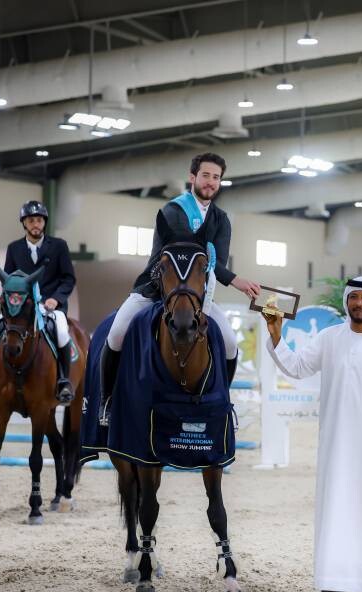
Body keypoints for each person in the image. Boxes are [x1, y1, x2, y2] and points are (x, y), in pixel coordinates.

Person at [263, 277, 362, 592]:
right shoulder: (329, 338)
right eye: (354, 298)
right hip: (335, 444)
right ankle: (332, 583)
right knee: (334, 510)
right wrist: (276, 335)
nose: (359, 303)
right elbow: (297, 367)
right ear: (347, 302)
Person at [97, 152, 260, 426]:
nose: (210, 182)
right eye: (206, 175)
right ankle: (107, 401)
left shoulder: (221, 220)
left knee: (230, 344)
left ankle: (222, 400)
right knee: (116, 333)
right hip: (157, 287)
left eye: (216, 177)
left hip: (197, 294)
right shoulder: (174, 210)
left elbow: (214, 263)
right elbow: (183, 250)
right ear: (192, 177)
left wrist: (235, 280)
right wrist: (235, 279)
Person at [0, 200, 76, 405]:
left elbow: (68, 278)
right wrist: (13, 303)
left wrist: (56, 298)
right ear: (24, 224)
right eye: (31, 221)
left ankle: (63, 381)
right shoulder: (14, 248)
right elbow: (9, 281)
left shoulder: (59, 246)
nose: (35, 224)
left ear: (44, 223)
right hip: (21, 308)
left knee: (62, 332)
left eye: (39, 220)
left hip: (50, 305)